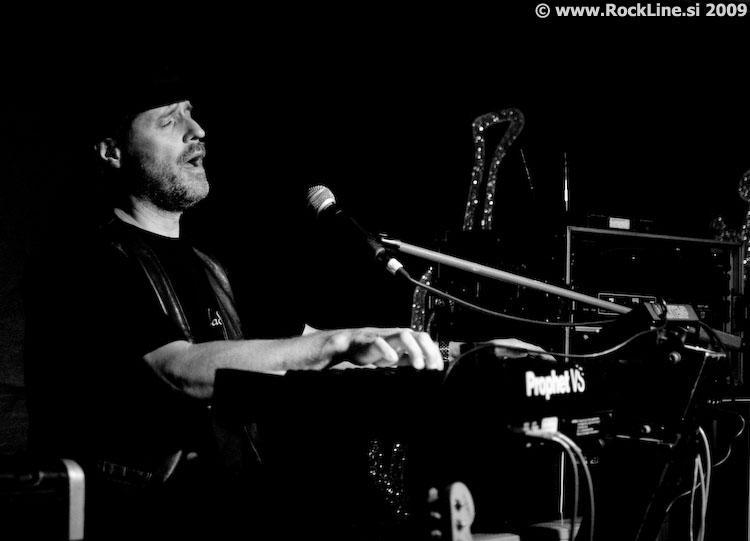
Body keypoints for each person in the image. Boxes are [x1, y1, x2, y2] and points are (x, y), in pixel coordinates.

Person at [23, 70, 543, 539]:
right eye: (169, 120)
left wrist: (471, 356)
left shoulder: (213, 266)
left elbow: (310, 349)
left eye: (191, 114)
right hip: (140, 521)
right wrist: (337, 342)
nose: (196, 130)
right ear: (112, 152)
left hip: (235, 512)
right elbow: (179, 368)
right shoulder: (87, 260)